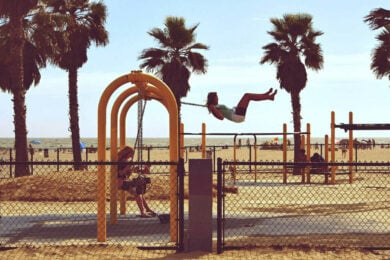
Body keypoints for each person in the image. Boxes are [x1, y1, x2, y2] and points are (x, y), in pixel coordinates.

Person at [117, 146, 156, 218]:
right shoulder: (121, 162)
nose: (132, 155)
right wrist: (128, 166)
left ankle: (146, 209)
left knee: (139, 192)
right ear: (127, 153)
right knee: (137, 192)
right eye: (131, 154)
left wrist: (137, 168)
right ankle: (143, 211)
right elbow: (121, 173)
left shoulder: (126, 161)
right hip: (119, 182)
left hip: (125, 180)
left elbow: (129, 173)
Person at [206, 88, 277, 123]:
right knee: (247, 96)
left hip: (236, 114)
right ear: (213, 98)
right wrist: (212, 108)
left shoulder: (216, 106)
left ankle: (266, 95)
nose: (218, 98)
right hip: (236, 116)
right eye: (216, 97)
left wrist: (213, 108)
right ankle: (268, 96)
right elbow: (221, 118)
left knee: (248, 96)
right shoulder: (214, 107)